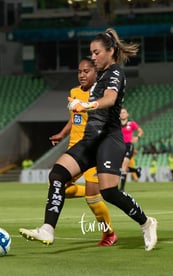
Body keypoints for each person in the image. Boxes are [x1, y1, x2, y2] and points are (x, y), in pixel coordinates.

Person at [19, 28, 157, 251]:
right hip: (90, 139)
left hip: (109, 140)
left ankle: (146, 222)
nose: (93, 57)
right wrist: (76, 109)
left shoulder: (115, 72)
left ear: (110, 51)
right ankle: (48, 228)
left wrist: (86, 105)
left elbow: (111, 99)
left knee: (109, 192)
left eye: (96, 53)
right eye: (91, 53)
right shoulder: (100, 76)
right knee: (57, 175)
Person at [47, 57, 117, 246]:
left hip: (93, 150)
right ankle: (91, 191)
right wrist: (62, 133)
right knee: (59, 187)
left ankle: (109, 234)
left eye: (86, 71)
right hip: (74, 150)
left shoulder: (101, 95)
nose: (82, 75)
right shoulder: (74, 92)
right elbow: (74, 118)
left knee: (92, 199)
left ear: (96, 72)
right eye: (79, 72)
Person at [119, 107, 143, 191]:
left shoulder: (131, 124)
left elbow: (140, 131)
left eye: (124, 112)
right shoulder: (117, 124)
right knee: (121, 168)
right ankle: (136, 170)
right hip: (120, 146)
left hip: (129, 146)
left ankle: (122, 188)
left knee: (124, 166)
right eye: (121, 112)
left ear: (127, 114)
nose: (122, 114)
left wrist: (137, 137)